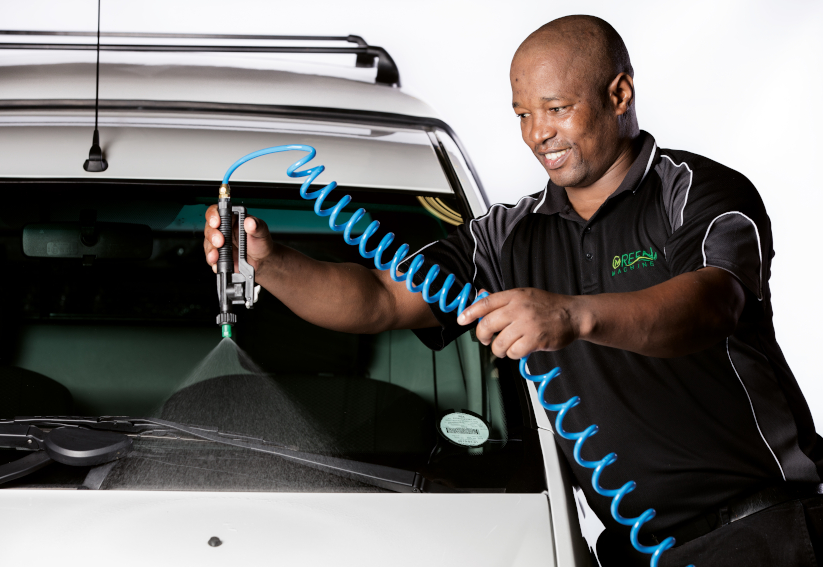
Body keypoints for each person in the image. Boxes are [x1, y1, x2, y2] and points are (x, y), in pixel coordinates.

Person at [204, 15, 823, 566]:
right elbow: (379, 298)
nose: (537, 135)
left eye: (556, 109)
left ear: (619, 95)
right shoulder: (505, 238)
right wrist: (269, 261)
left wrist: (575, 316)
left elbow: (714, 303)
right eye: (523, 115)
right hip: (636, 552)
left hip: (770, 532)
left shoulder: (697, 193)